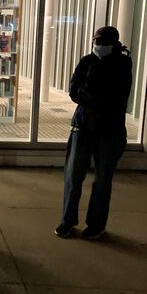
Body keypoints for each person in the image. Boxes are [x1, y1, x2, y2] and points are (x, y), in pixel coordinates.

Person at [55, 26, 132, 240]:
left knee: (103, 179)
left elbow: (117, 96)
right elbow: (74, 90)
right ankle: (67, 221)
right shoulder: (87, 60)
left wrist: (90, 96)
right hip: (83, 126)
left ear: (114, 43)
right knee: (73, 176)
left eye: (102, 41)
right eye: (96, 41)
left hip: (110, 130)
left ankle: (96, 225)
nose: (98, 45)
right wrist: (93, 97)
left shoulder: (123, 63)